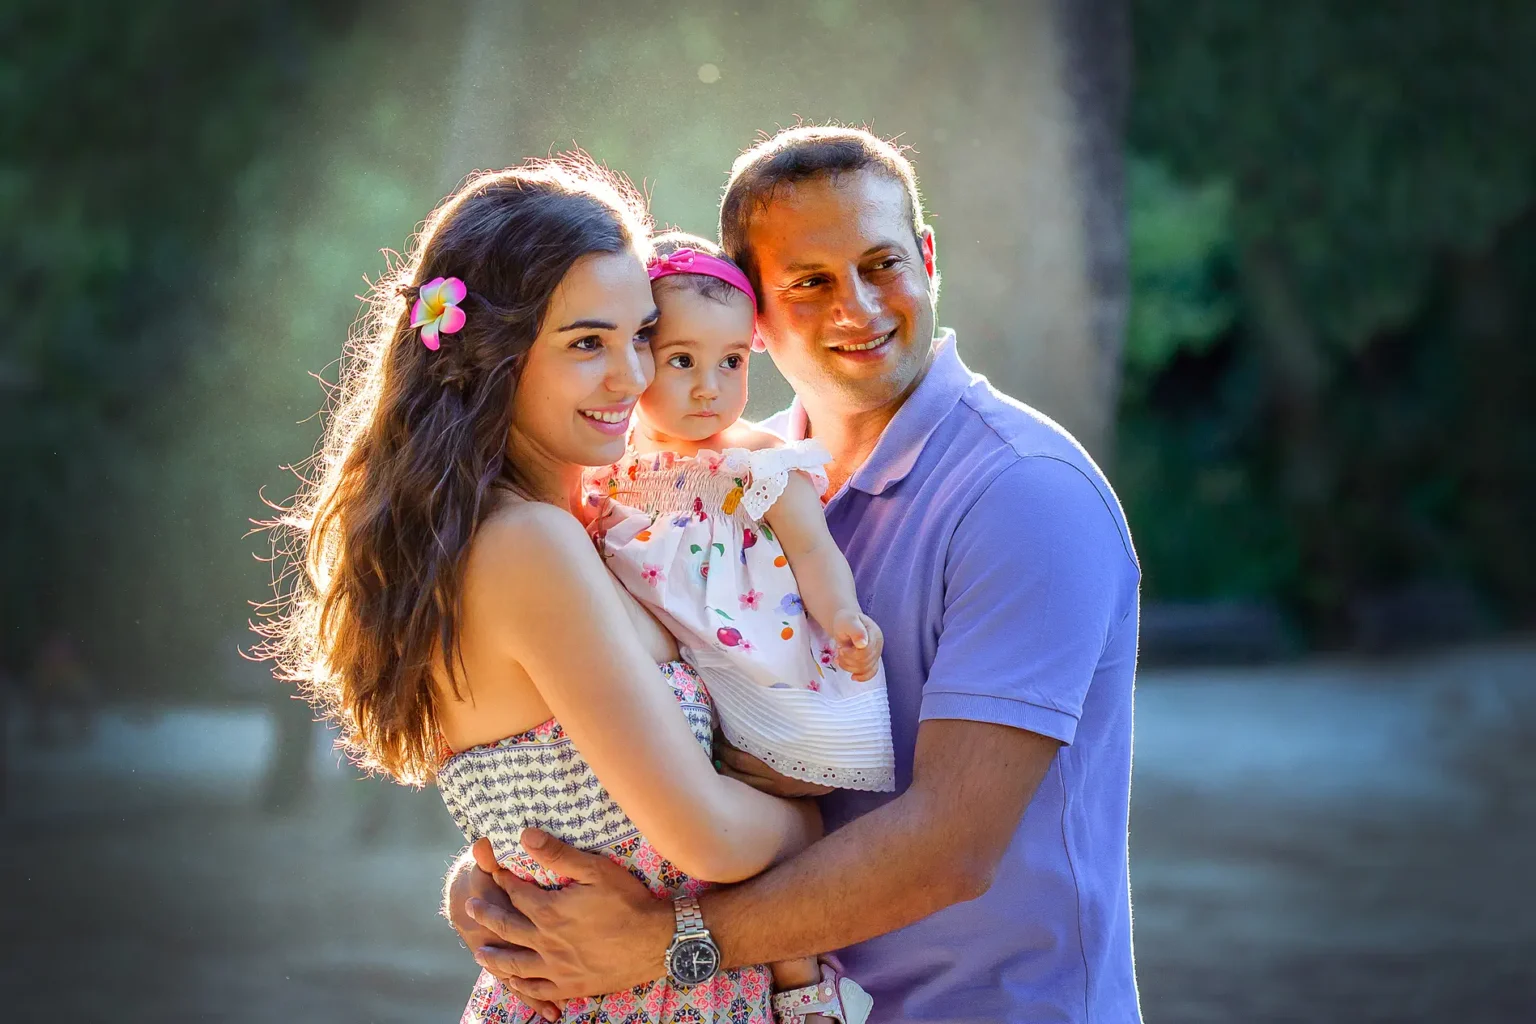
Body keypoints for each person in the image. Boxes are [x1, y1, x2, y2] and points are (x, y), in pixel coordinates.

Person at [450, 127, 1143, 1023]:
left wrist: (667, 942)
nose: (857, 306)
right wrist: (507, 878)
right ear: (756, 313)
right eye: (810, 282)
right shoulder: (715, 490)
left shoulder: (1023, 494)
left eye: (883, 264)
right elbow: (626, 737)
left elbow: (953, 847)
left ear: (928, 261)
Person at [262, 156, 872, 1023]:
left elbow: (571, 802)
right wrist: (815, 824)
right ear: (493, 355)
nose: (632, 376)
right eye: (588, 342)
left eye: (640, 336)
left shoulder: (573, 523)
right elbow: (704, 835)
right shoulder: (527, 544)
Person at [586, 230, 897, 794]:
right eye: (682, 361)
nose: (709, 388)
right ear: (636, 354)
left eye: (731, 361)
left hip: (740, 660)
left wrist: (843, 616)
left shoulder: (757, 464)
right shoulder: (608, 465)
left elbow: (812, 549)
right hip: (644, 675)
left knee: (758, 771)